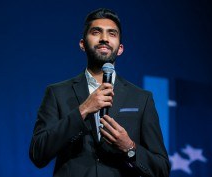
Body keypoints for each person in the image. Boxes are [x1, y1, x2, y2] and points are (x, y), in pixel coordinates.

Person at [29, 8, 170, 177]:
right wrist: (83, 111)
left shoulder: (142, 98)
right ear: (82, 44)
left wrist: (130, 148)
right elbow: (38, 154)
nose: (104, 38)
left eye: (112, 34)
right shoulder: (57, 93)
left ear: (120, 48)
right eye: (96, 32)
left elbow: (161, 169)